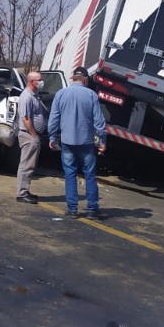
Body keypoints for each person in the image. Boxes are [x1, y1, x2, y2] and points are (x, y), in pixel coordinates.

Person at [47, 66, 107, 220]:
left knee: (70, 174)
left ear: (73, 78)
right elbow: (99, 121)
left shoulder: (61, 94)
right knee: (90, 175)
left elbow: (54, 119)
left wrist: (52, 138)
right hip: (86, 142)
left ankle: (72, 209)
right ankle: (92, 210)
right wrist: (102, 141)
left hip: (67, 141)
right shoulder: (91, 95)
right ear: (85, 79)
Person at [15, 71, 48, 204]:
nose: (41, 82)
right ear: (31, 81)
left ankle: (25, 190)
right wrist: (33, 135)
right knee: (26, 165)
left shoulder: (34, 95)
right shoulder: (26, 97)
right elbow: (25, 118)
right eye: (39, 80)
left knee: (30, 165)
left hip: (33, 135)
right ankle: (21, 194)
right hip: (28, 135)